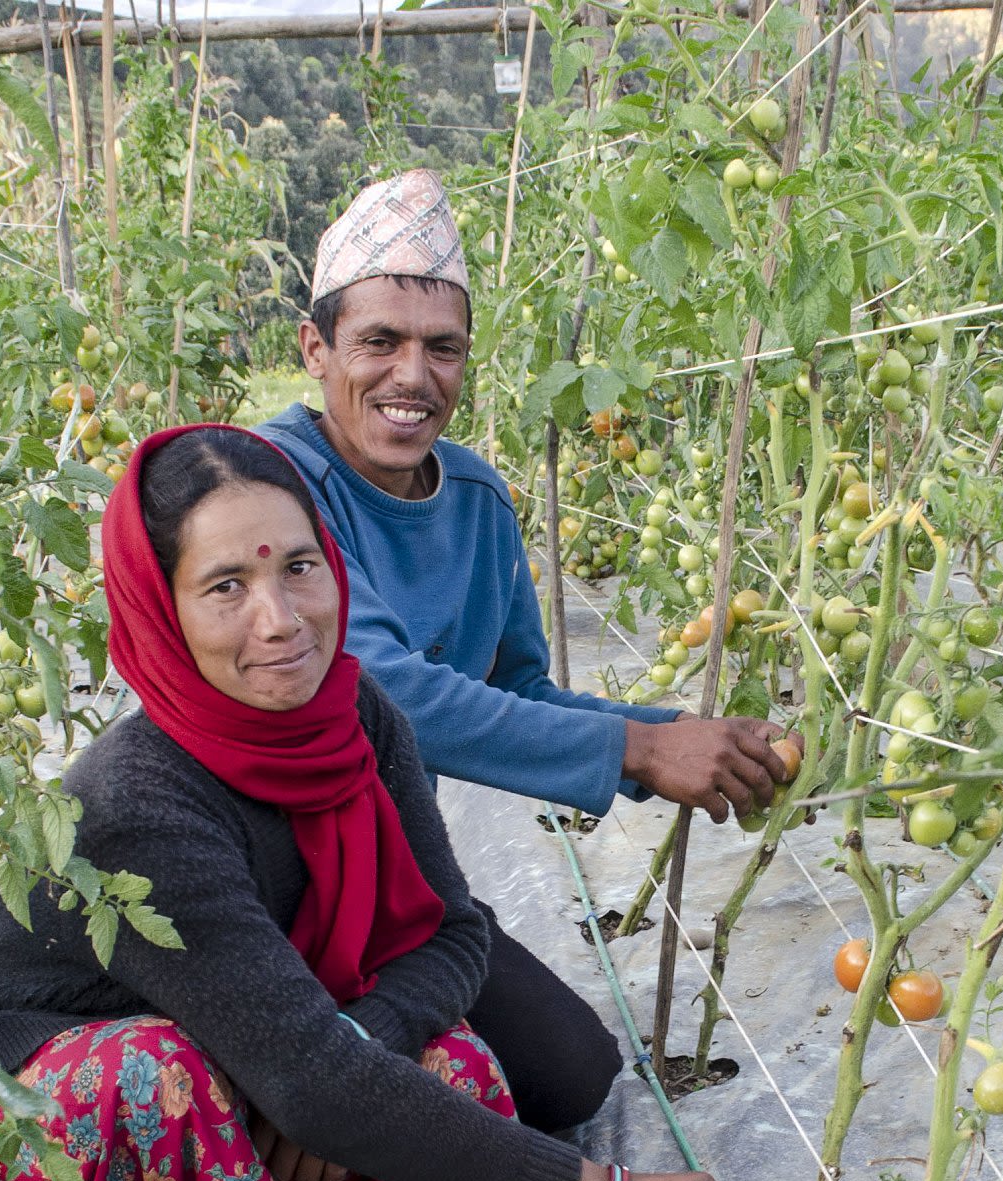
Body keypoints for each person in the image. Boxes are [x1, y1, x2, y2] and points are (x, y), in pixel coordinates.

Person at [0, 425, 749, 1181]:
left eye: (300, 568)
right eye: (225, 585)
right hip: (34, 1131)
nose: (278, 620)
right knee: (163, 1076)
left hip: (238, 1028)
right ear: (162, 610)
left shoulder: (357, 713)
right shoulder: (139, 803)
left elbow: (452, 936)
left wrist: (350, 1046)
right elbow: (313, 1084)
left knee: (446, 1059)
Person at [254, 170, 799, 1131]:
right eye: (378, 341)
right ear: (316, 349)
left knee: (568, 1074)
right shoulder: (272, 477)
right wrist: (639, 750)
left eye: (443, 348)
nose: (412, 377)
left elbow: (514, 687)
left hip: (386, 869)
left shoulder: (474, 498)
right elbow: (379, 690)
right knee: (322, 1093)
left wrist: (673, 733)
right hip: (253, 869)